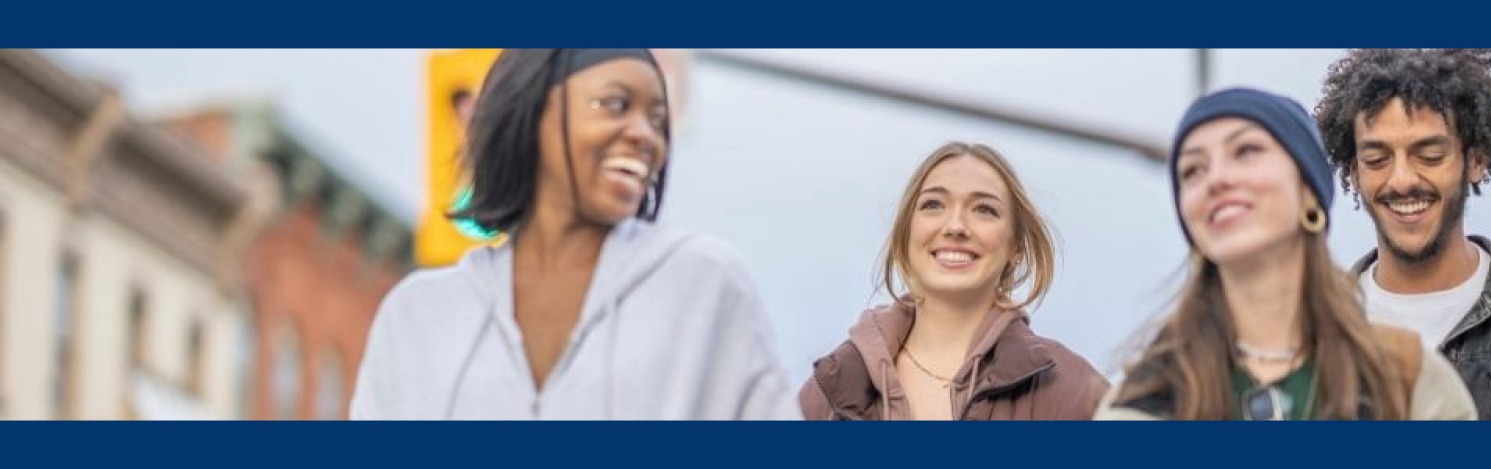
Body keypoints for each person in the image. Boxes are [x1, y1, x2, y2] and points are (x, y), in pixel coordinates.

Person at [351, 49, 795, 420]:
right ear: (532, 112)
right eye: (615, 105)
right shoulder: (416, 318)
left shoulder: (702, 285)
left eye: (657, 120)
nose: (645, 136)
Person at [1097, 88, 1475, 420]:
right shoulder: (1145, 399)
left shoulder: (1405, 376)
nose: (1217, 179)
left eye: (1246, 151)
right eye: (1193, 170)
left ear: (1309, 191)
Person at [1315, 48, 1491, 420]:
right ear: (1354, 172)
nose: (1401, 180)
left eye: (1429, 156)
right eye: (1376, 160)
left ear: (1476, 161)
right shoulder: (1312, 329)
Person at [798, 142, 1107, 420]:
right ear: (906, 234)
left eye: (984, 210)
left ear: (1016, 248)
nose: (956, 226)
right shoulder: (827, 391)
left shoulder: (1076, 393)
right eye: (933, 205)